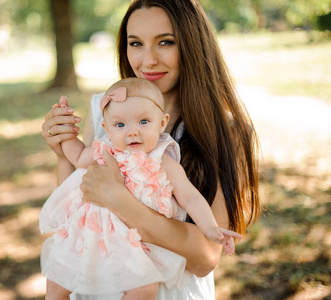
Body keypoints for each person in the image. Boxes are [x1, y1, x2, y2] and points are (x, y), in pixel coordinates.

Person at [41, 0, 260, 298]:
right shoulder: (105, 111)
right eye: (136, 43)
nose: (148, 60)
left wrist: (121, 201)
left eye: (165, 42)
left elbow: (206, 258)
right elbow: (78, 200)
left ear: (193, 45)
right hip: (98, 282)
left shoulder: (225, 132)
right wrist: (61, 153)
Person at [40, 78, 243, 299]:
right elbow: (78, 156)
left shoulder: (163, 160)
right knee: (58, 284)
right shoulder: (105, 151)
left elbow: (190, 198)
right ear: (106, 128)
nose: (132, 132)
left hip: (132, 242)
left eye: (144, 122)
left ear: (162, 122)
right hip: (92, 233)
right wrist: (66, 133)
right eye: (120, 125)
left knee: (145, 288)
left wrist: (211, 229)